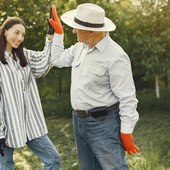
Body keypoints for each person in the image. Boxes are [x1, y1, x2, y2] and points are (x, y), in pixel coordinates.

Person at [49, 3, 140, 170]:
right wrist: (58, 34)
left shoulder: (116, 56)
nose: (74, 31)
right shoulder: (80, 48)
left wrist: (126, 131)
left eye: (77, 28)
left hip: (104, 124)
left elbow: (127, 98)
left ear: (90, 31)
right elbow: (56, 59)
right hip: (79, 122)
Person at [0, 17, 60, 170]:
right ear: (5, 31)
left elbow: (44, 62)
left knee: (53, 159)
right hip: (6, 126)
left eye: (22, 35)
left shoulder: (23, 55)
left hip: (30, 123)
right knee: (5, 166)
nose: (20, 38)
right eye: (16, 32)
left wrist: (51, 36)